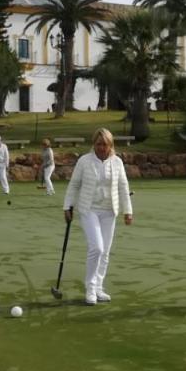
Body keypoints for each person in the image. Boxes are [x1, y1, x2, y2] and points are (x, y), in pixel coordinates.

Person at [63, 128, 134, 305]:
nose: (102, 147)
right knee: (97, 248)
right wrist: (67, 206)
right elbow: (74, 185)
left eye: (105, 144)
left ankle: (99, 287)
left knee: (106, 252)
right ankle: (90, 288)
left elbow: (123, 187)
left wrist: (128, 211)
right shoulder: (84, 161)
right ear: (93, 144)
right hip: (89, 209)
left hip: (110, 210)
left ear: (111, 145)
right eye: (98, 144)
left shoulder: (117, 162)